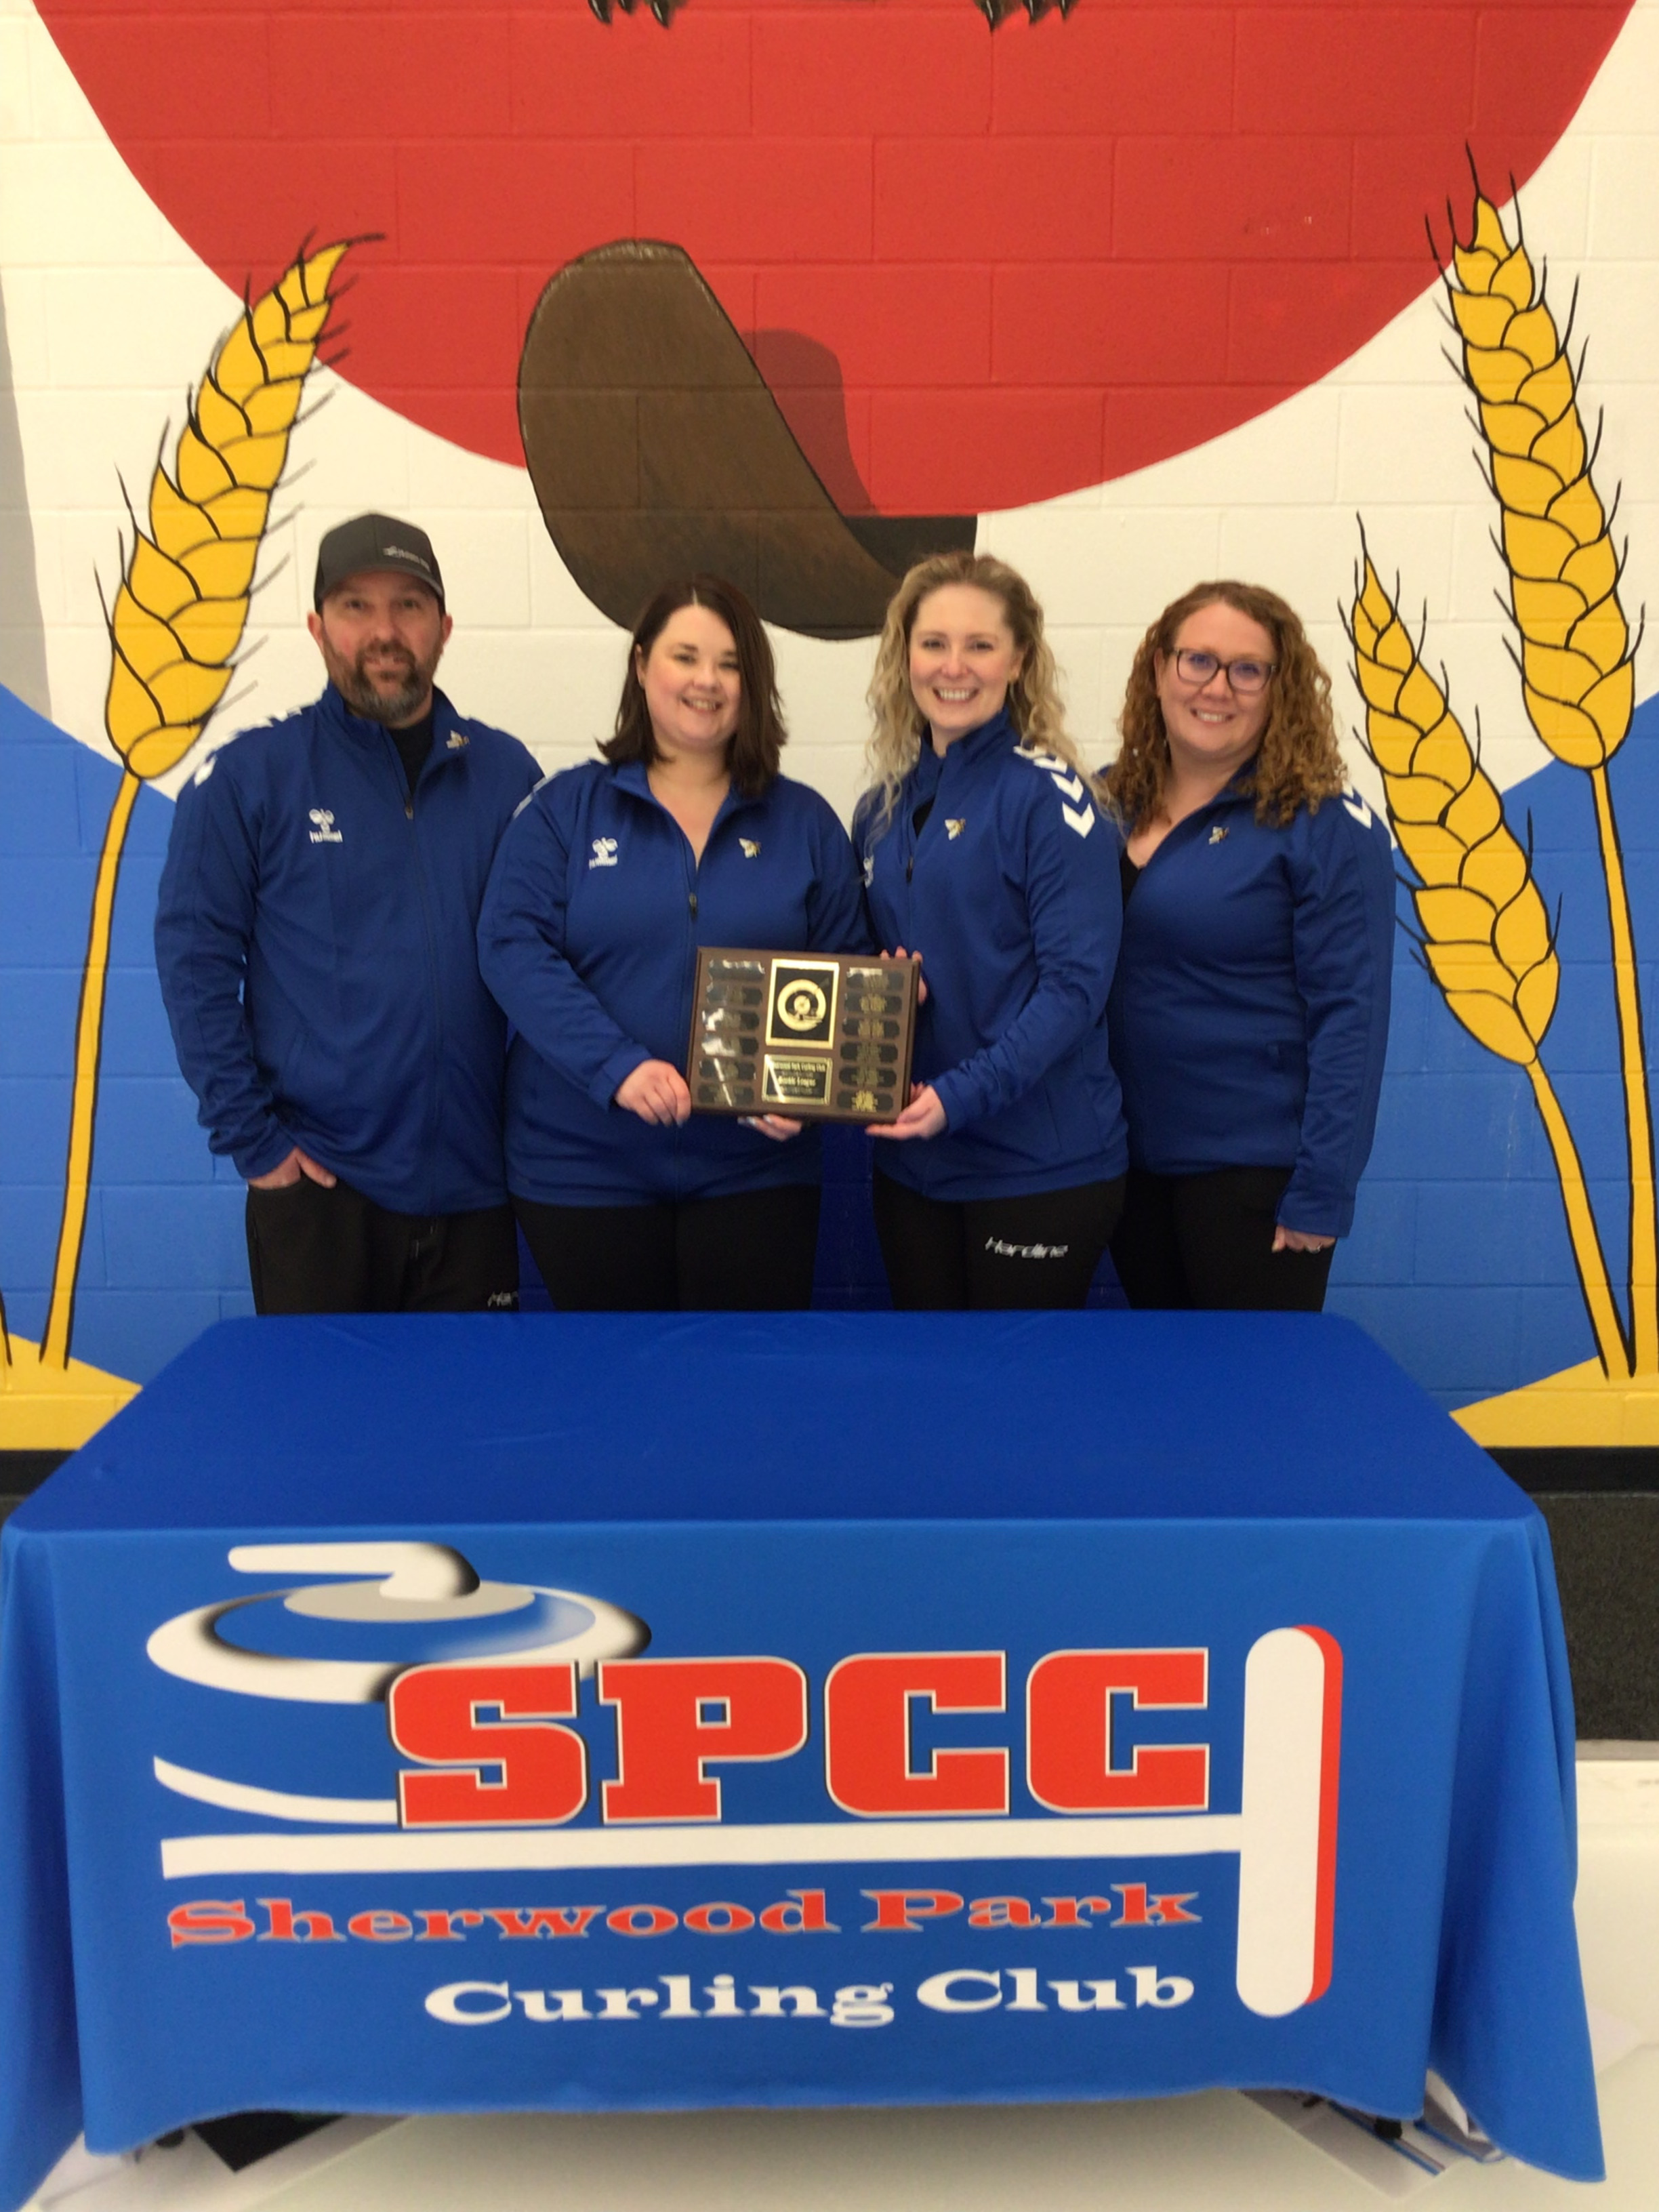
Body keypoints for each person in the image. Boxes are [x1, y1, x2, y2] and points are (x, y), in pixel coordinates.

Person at [155, 513, 541, 1314]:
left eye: (408, 605)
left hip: (475, 1192)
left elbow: (554, 958)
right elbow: (193, 965)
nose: (384, 631)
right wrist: (257, 1145)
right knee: (320, 1404)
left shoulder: (507, 774)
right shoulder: (251, 777)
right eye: (356, 606)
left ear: (444, 628)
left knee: (468, 1402)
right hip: (321, 1194)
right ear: (317, 628)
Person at [477, 575, 869, 1311]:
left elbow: (846, 973)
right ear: (641, 665)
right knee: (618, 1381)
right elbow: (511, 947)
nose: (707, 681)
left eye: (730, 664)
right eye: (685, 657)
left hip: (756, 1175)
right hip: (583, 1170)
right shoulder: (565, 809)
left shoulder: (806, 823)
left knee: (746, 1379)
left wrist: (810, 1094)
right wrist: (616, 1066)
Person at [1104, 579, 1394, 1312]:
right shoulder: (1102, 804)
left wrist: (1323, 1188)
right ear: (1160, 669)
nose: (1217, 688)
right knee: (1163, 1374)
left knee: (1253, 1383)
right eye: (1198, 660)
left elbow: (1352, 1020)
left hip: (1254, 1180)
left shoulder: (1324, 824)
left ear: (1280, 689)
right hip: (1123, 1166)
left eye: (1247, 670)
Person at [853, 551, 1126, 1310]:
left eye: (980, 645)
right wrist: (882, 989)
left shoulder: (1052, 798)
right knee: (933, 1377)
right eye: (934, 643)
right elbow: (872, 965)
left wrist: (961, 1095)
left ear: (1019, 661)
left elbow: (1075, 989)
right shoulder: (880, 810)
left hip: (1035, 1169)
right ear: (905, 657)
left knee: (1017, 1385)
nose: (954, 667)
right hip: (914, 1166)